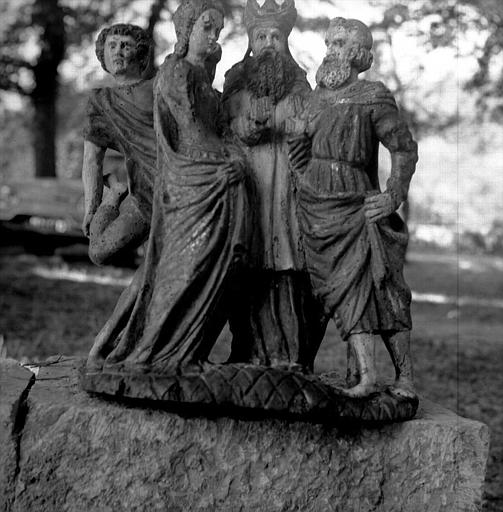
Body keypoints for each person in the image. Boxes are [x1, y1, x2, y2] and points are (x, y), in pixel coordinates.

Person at [91, 0, 251, 374]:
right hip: (186, 186)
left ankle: (183, 350)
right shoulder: (177, 74)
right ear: (186, 31)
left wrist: (237, 153)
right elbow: (191, 133)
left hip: (212, 186)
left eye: (218, 30)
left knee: (207, 269)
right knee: (176, 269)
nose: (214, 37)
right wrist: (225, 162)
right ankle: (154, 351)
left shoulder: (208, 89)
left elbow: (221, 134)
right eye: (207, 28)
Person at [293, 18, 418, 397]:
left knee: (381, 285)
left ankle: (404, 379)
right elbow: (297, 145)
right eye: (329, 42)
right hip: (317, 206)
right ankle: (362, 376)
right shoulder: (316, 99)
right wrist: (303, 178)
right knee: (335, 289)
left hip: (357, 203)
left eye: (341, 43)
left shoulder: (372, 96)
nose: (331, 49)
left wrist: (393, 194)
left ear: (358, 53)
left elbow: (403, 148)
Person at [222, 0, 323, 370]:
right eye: (261, 35)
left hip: (286, 195)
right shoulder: (235, 83)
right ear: (250, 40)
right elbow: (221, 132)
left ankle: (290, 355)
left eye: (275, 36)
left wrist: (301, 137)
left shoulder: (300, 89)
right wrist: (246, 128)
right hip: (248, 190)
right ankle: (244, 349)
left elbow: (315, 135)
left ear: (286, 41)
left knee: (287, 273)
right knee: (245, 270)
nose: (268, 42)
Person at [82, 23, 156, 266]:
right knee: (99, 250)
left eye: (125, 45)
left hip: (177, 182)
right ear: (102, 54)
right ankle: (113, 194)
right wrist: (92, 208)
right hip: (144, 193)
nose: (117, 51)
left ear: (141, 53)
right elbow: (92, 159)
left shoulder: (159, 87)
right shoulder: (101, 101)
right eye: (111, 46)